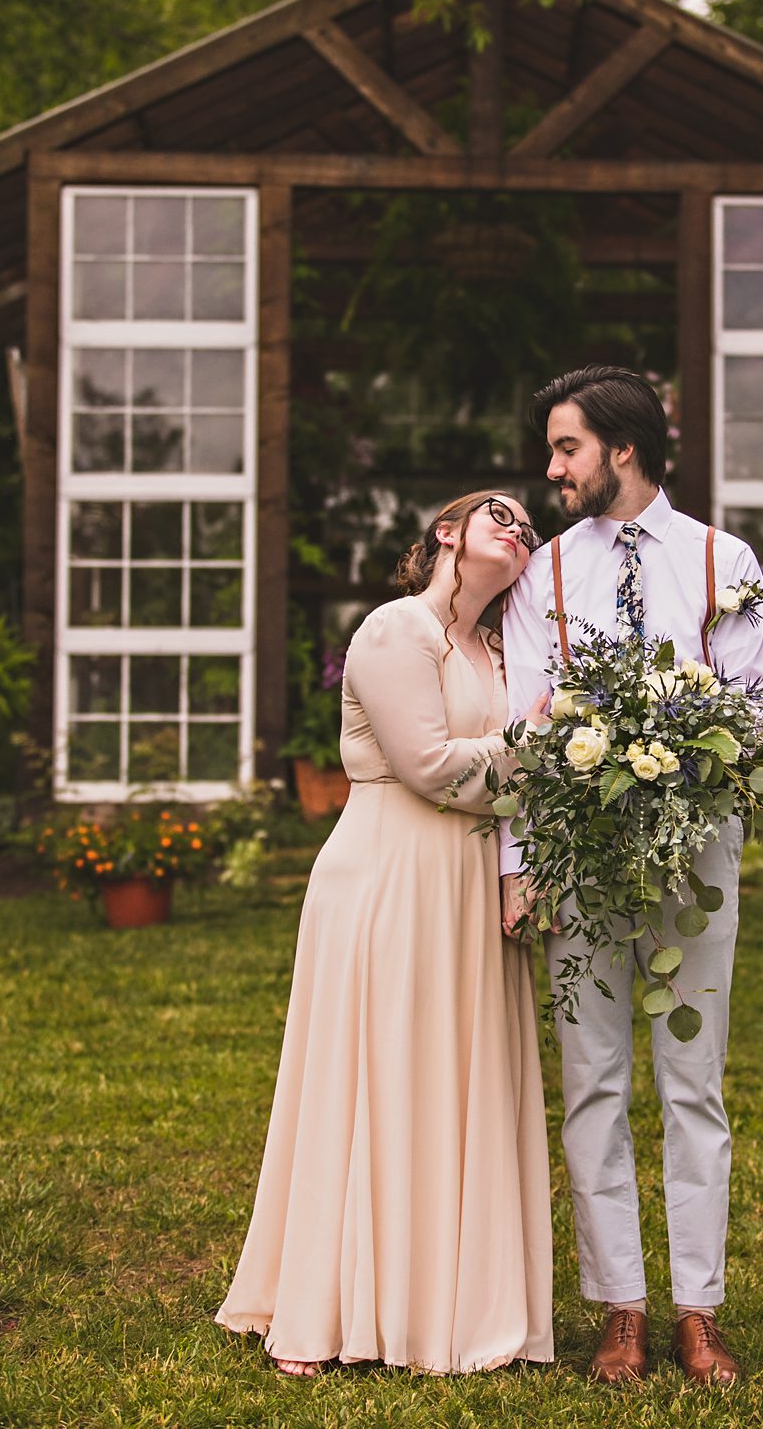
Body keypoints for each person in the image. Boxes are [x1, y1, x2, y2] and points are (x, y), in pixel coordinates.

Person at [216, 491, 554, 1376]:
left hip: (468, 889)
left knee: (454, 1078)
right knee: (374, 1078)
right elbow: (429, 766)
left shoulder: (500, 651)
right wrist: (539, 743)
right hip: (389, 879)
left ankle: (445, 1305)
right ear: (447, 533)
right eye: (500, 515)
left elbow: (500, 779)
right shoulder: (396, 631)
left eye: (529, 529)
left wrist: (520, 853)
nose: (519, 531)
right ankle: (329, 1307)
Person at [500, 366, 763, 1388]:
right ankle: (620, 1307)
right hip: (580, 857)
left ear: (622, 448)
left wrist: (675, 763)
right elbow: (525, 727)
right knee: (593, 1083)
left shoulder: (721, 560)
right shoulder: (543, 576)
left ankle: (699, 1310)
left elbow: (752, 712)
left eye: (566, 447)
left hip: (695, 856)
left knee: (693, 1084)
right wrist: (522, 863)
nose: (552, 469)